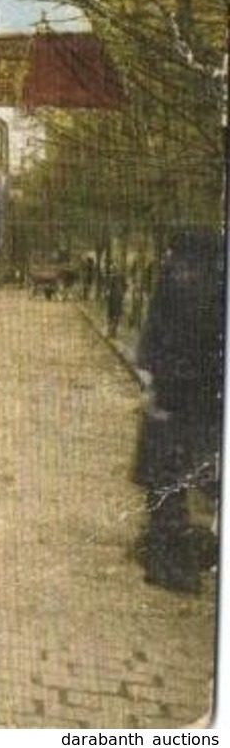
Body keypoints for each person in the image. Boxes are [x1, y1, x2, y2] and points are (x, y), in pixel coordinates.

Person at [135, 230, 225, 594]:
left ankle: (170, 563)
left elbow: (153, 340)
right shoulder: (212, 289)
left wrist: (155, 383)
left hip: (174, 402)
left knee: (166, 483)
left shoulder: (177, 286)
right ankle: (173, 561)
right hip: (196, 405)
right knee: (178, 482)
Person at [104, 268, 127, 339]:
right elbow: (108, 288)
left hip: (116, 299)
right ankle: (111, 332)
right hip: (113, 299)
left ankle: (112, 332)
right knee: (113, 316)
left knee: (114, 316)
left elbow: (125, 286)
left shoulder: (120, 278)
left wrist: (122, 294)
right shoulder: (113, 278)